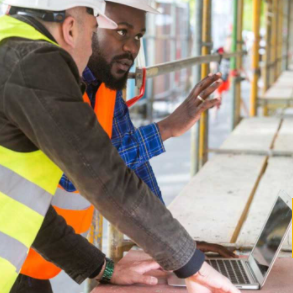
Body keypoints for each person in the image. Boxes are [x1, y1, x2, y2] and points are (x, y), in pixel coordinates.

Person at [0, 1, 240, 293]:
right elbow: (102, 175)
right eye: (93, 34)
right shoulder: (36, 63)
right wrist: (188, 261)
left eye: (137, 36)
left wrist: (167, 249)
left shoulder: (12, 52)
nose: (89, 53)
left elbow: (25, 208)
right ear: (71, 29)